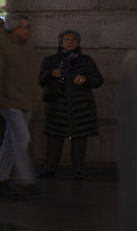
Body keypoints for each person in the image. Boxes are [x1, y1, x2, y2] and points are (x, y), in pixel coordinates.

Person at [0, 13, 41, 196]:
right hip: (10, 100)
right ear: (14, 28)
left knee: (12, 141)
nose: (27, 31)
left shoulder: (25, 47)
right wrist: (0, 100)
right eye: (24, 27)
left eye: (28, 27)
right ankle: (27, 179)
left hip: (25, 100)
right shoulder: (0, 45)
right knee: (21, 138)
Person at [39, 30, 103, 181]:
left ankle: (78, 171)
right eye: (67, 39)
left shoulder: (86, 60)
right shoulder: (50, 60)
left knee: (79, 141)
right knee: (54, 141)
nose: (70, 42)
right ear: (60, 42)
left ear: (78, 42)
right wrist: (50, 75)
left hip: (80, 109)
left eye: (74, 39)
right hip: (56, 108)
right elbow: (40, 81)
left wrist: (85, 79)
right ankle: (49, 169)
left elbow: (98, 80)